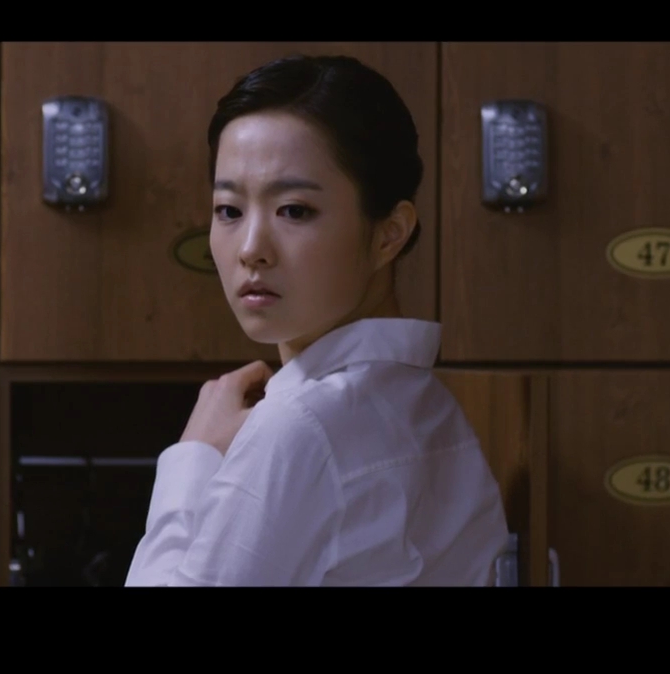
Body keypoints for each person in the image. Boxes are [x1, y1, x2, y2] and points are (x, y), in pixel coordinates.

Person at [123, 54, 510, 586]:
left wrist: (195, 457)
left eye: (294, 210)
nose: (251, 249)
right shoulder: (430, 408)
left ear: (389, 234)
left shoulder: (299, 427)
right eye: (229, 210)